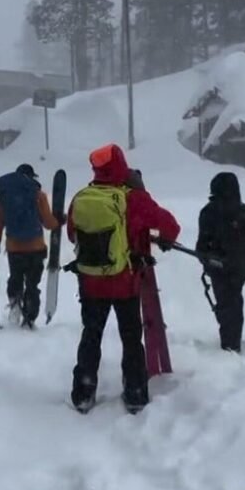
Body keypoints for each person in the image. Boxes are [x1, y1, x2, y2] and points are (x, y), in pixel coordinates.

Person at [66, 144, 180, 414]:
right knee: (130, 338)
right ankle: (135, 392)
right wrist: (164, 239)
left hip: (91, 282)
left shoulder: (82, 197)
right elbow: (170, 225)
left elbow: (72, 234)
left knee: (91, 334)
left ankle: (84, 391)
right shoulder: (134, 199)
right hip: (124, 282)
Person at [196, 172, 245, 353]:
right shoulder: (243, 214)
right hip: (222, 268)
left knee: (229, 303)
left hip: (235, 268)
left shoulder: (242, 215)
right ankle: (231, 344)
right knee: (230, 303)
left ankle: (231, 346)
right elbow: (202, 246)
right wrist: (211, 261)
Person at [0, 163, 60, 329]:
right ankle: (30, 315)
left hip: (15, 248)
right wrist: (58, 221)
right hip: (36, 248)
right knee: (32, 284)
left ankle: (15, 302)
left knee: (15, 277)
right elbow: (49, 223)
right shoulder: (38, 195)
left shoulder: (6, 196)